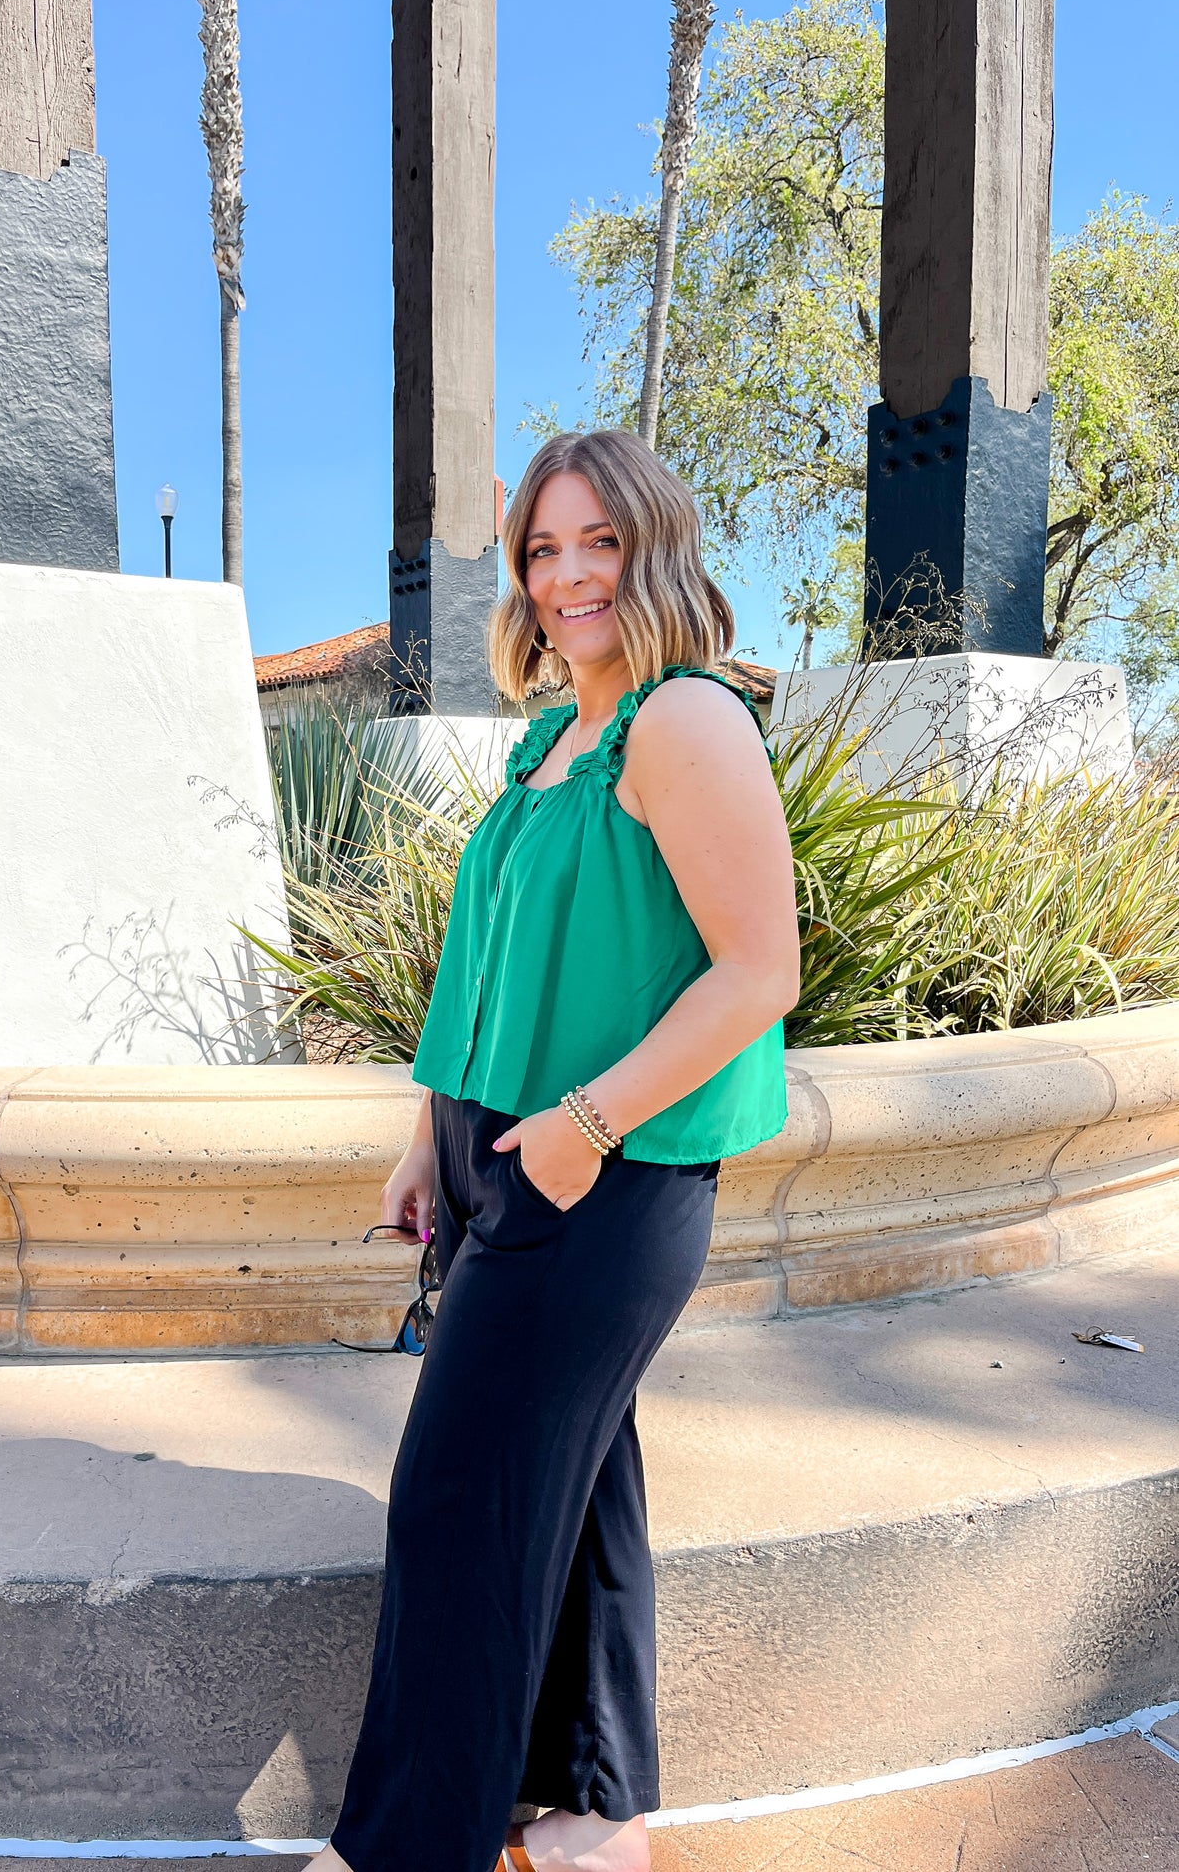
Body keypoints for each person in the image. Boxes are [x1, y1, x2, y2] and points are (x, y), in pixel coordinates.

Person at [308, 430, 800, 1872]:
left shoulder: (683, 722)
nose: (567, 574)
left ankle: (405, 1846)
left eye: (598, 543)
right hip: (495, 1154)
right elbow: (488, 962)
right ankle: (595, 1802)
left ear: (655, 550)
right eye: (541, 548)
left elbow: (758, 971)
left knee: (457, 1503)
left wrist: (582, 1131)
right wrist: (428, 1134)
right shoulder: (551, 738)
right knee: (576, 1487)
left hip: (605, 1173)